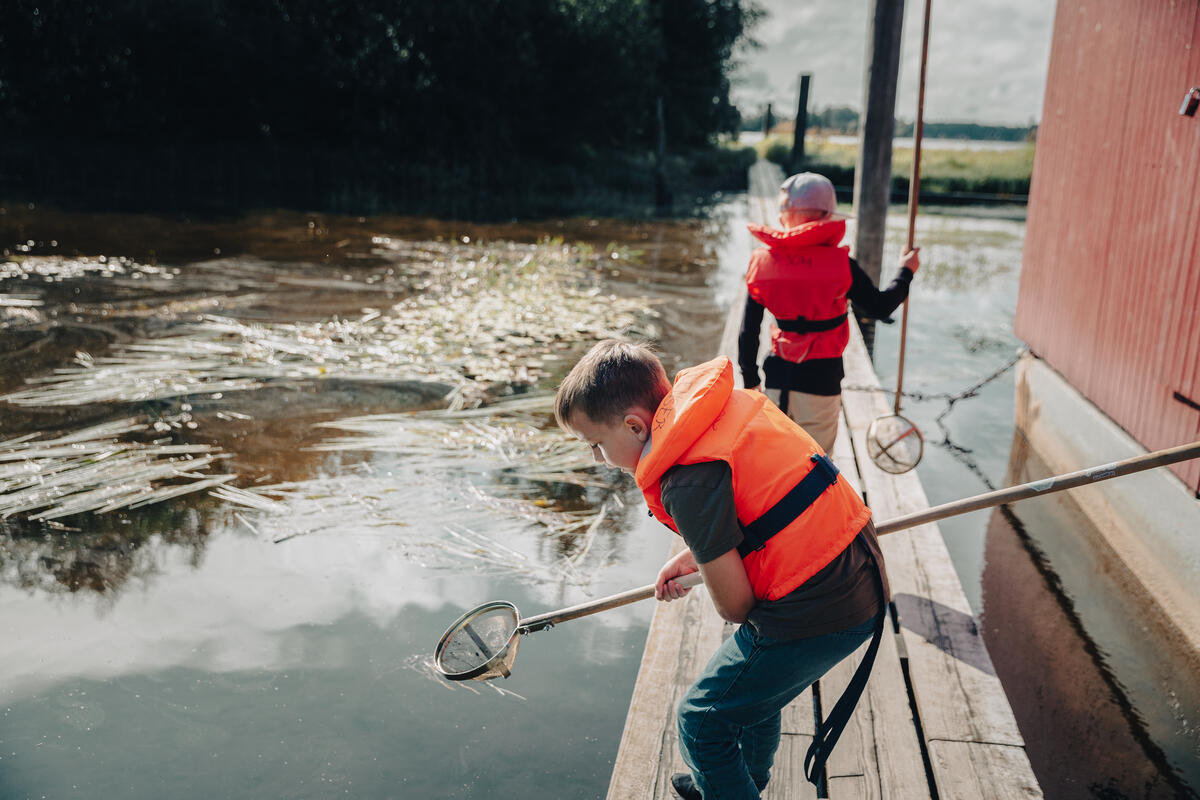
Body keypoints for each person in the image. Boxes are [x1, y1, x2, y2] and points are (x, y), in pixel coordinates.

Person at [554, 340, 890, 800]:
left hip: (817, 608)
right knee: (749, 702)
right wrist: (700, 551)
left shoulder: (686, 480)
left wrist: (711, 566)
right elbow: (766, 513)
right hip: (859, 567)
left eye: (597, 444)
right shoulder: (726, 407)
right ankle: (738, 784)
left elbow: (736, 606)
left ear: (634, 426)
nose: (597, 457)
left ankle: (728, 785)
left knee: (701, 722)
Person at [740, 171, 919, 453]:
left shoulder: (762, 263)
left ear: (785, 215)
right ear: (827, 216)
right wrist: (905, 272)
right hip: (820, 381)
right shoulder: (842, 265)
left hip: (776, 378)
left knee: (775, 460)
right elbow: (881, 306)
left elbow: (748, 332)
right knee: (816, 467)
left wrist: (751, 380)